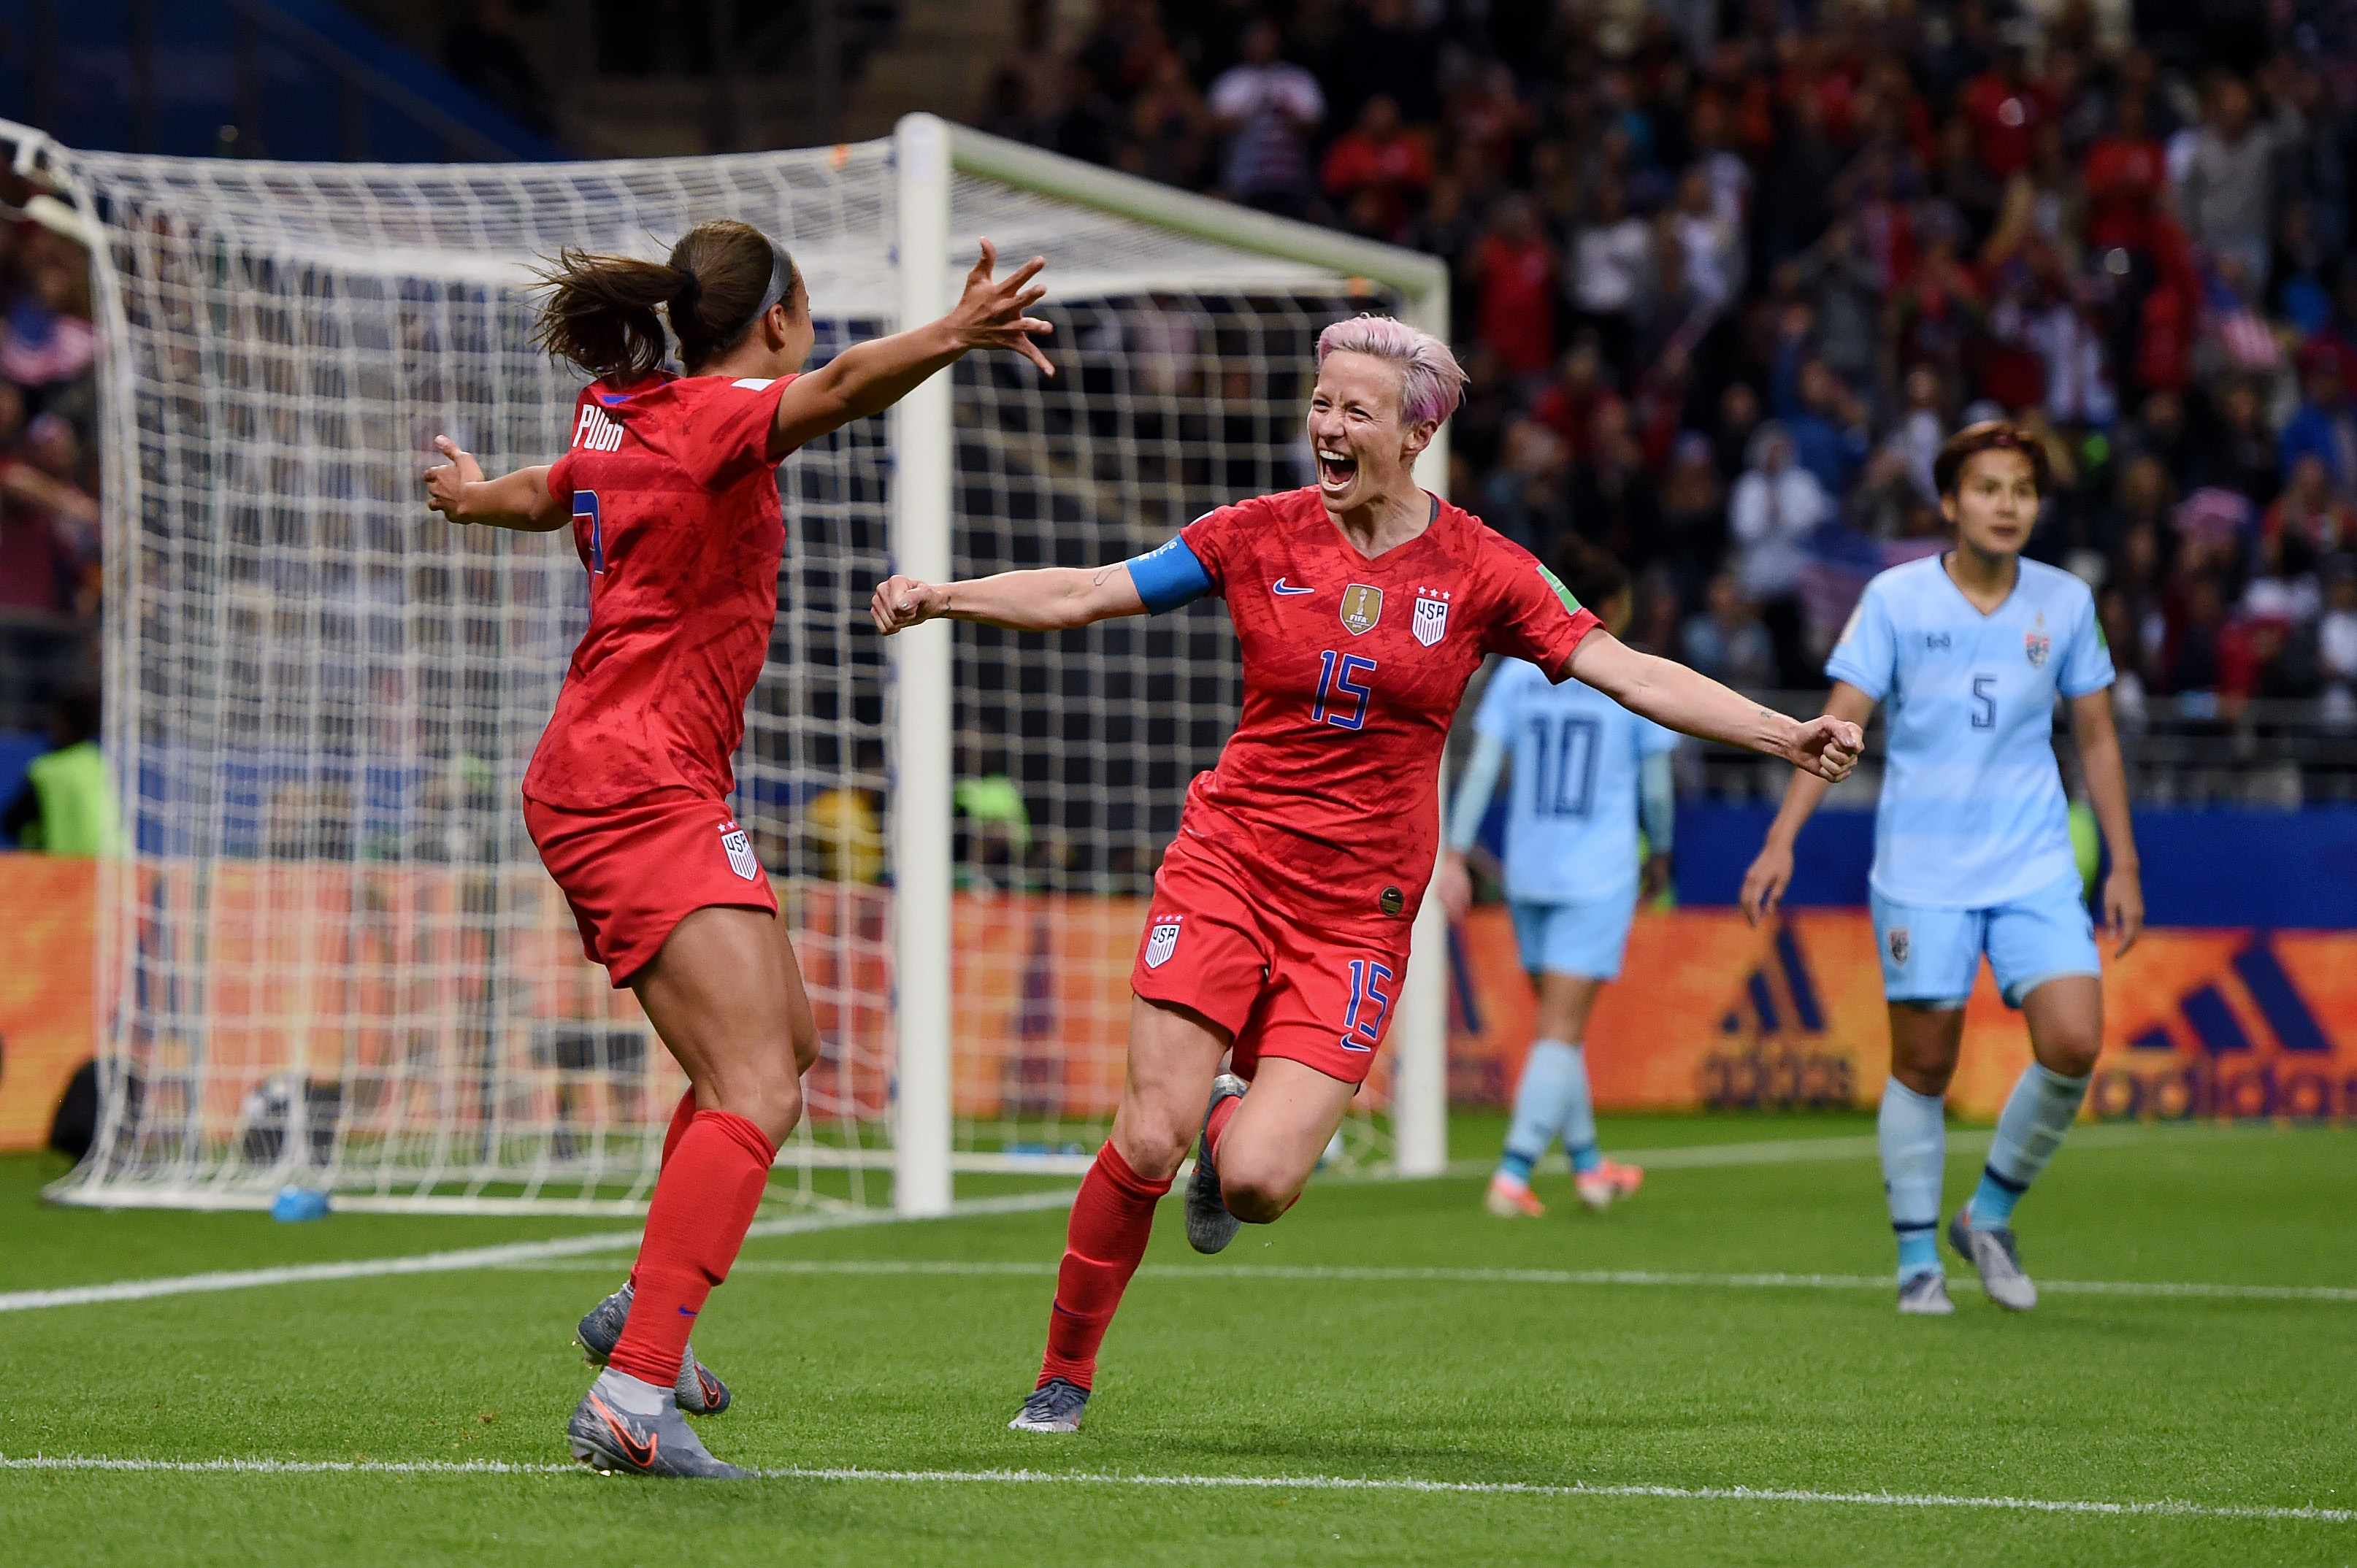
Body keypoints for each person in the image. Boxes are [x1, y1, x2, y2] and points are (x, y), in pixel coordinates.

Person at [870, 315, 1863, 1433]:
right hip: (1227, 867)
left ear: (1414, 435)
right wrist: (947, 595)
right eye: (1321, 404)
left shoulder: (1485, 570)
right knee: (1149, 1133)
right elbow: (1091, 591)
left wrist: (1781, 733)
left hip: (1357, 914)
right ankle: (1063, 1375)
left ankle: (1233, 1121)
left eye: (1355, 411)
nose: (1327, 428)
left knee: (1258, 1185)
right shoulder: (1255, 533)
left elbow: (1625, 672)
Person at [424, 221, 1054, 1477]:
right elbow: (840, 387)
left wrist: (473, 495)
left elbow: (556, 489)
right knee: (757, 1081)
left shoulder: (624, 411)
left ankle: (645, 1312)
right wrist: (952, 330)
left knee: (787, 1049)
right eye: (808, 305)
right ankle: (632, 1392)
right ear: (773, 319)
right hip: (631, 782)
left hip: (646, 774)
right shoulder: (717, 417)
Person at [1739, 422, 2144, 1318]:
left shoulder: (2067, 602)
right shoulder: (1896, 599)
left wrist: (2123, 862)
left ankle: (1987, 1213)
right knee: (1924, 1065)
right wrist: (1781, 838)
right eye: (1989, 488)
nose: (2007, 505)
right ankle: (1917, 1260)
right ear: (1951, 503)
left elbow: (2099, 738)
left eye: (2022, 491)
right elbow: (1841, 721)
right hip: (1923, 867)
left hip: (2035, 859)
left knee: (2074, 1040)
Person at [1433, 539, 1674, 1218]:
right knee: (1561, 1034)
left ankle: (1590, 1168)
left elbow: (1480, 768)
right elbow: (1656, 789)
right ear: (1617, 606)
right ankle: (1512, 1176)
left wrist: (1456, 851)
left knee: (1555, 1029)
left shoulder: (1519, 675)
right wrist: (1661, 853)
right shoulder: (1631, 673)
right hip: (1596, 876)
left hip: (1529, 872)